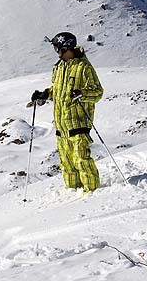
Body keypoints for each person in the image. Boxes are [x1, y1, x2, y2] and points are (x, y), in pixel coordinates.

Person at [31, 32, 103, 195]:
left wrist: (82, 93)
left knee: (82, 159)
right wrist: (44, 94)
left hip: (78, 122)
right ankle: (72, 192)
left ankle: (93, 193)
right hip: (61, 125)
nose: (56, 51)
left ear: (65, 47)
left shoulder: (84, 68)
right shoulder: (59, 67)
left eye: (57, 48)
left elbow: (98, 93)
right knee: (67, 162)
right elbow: (57, 91)